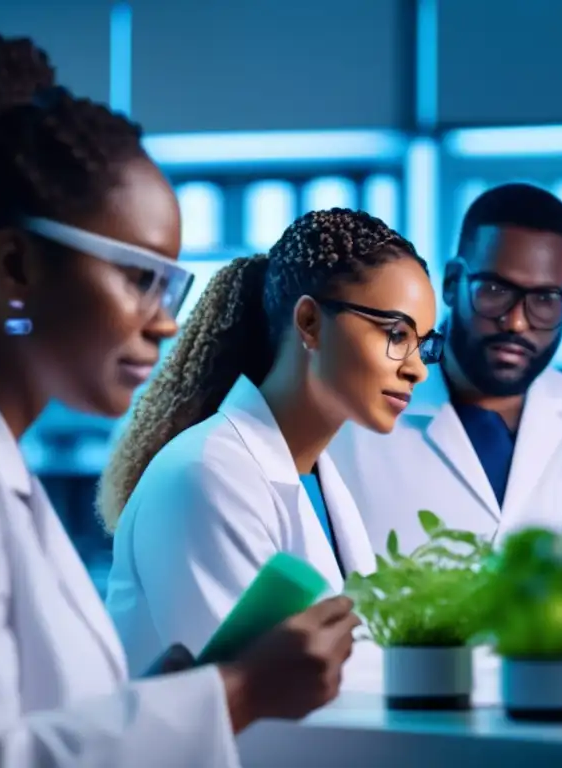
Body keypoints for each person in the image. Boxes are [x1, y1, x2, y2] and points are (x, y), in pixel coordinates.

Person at [0, 34, 359, 768]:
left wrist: (165, 700)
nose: (167, 320)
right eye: (141, 278)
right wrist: (238, 693)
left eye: (172, 285)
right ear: (15, 264)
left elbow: (31, 722)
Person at [98, 208, 442, 675]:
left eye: (424, 343)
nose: (417, 368)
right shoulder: (204, 476)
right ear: (309, 322)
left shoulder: (319, 478)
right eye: (396, 334)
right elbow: (254, 697)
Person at [328, 183, 562, 557]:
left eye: (545, 299)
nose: (516, 323)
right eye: (494, 289)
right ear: (451, 282)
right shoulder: (351, 426)